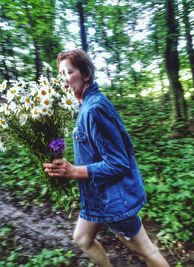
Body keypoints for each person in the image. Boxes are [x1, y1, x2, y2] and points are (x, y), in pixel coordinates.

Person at [43, 49, 169, 267]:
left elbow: (118, 162)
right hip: (96, 197)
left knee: (147, 251)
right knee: (82, 238)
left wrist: (74, 171)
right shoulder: (85, 106)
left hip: (114, 200)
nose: (64, 79)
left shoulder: (94, 109)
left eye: (69, 72)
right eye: (61, 73)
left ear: (86, 75)